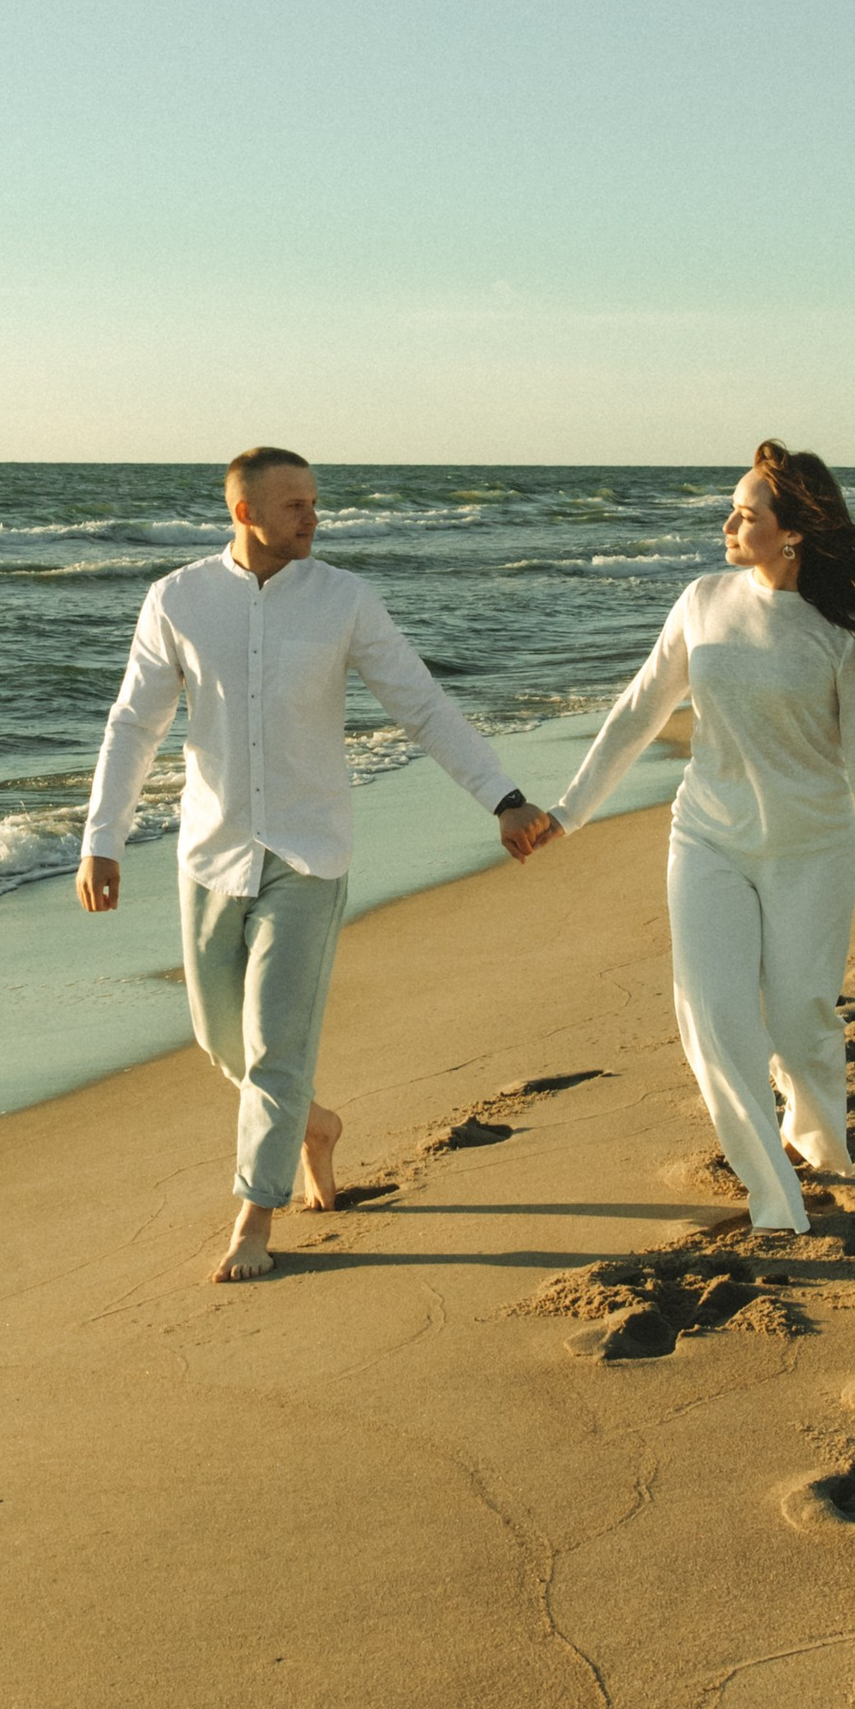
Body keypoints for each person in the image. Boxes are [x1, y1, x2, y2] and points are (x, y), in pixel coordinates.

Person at [77, 448, 554, 1282]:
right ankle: (313, 1123)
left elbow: (421, 704)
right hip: (210, 851)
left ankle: (255, 1219)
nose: (312, 516)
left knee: (274, 1047)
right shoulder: (178, 600)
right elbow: (133, 727)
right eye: (293, 503)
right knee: (219, 1039)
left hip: (309, 852)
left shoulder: (344, 599)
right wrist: (101, 839)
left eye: (314, 501)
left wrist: (503, 797)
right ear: (243, 512)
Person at [549, 442, 855, 1238]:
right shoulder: (702, 600)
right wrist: (567, 812)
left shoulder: (845, 629)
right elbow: (638, 712)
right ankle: (775, 1198)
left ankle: (819, 1140)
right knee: (717, 1019)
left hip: (810, 849)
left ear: (792, 532)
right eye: (732, 508)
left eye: (746, 513)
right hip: (708, 840)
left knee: (801, 1020)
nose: (728, 523)